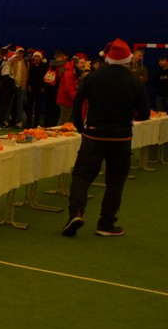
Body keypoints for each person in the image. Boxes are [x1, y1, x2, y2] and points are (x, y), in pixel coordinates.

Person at [62, 39, 150, 238]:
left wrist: (80, 126)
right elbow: (144, 114)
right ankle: (106, 223)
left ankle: (76, 213)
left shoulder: (93, 78)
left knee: (82, 176)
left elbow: (77, 103)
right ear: (128, 59)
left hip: (94, 134)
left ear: (107, 58)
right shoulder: (135, 82)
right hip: (121, 138)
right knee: (115, 181)